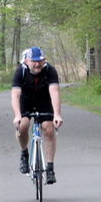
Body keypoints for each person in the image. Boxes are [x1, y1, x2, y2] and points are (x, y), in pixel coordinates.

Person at [11, 46, 63, 184]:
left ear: (44, 60)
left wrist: (57, 114)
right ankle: (24, 154)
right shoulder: (20, 71)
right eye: (33, 61)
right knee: (23, 125)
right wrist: (17, 115)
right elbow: (15, 95)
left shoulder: (50, 70)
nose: (37, 64)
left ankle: (50, 169)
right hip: (25, 101)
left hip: (44, 101)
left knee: (48, 128)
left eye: (40, 61)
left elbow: (54, 92)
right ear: (27, 61)